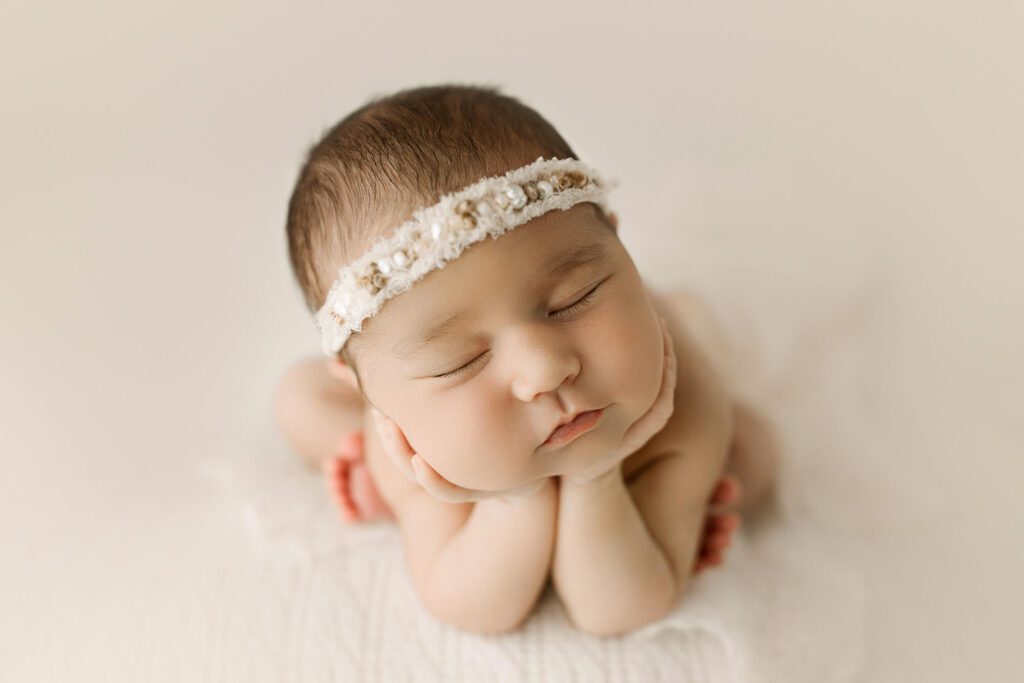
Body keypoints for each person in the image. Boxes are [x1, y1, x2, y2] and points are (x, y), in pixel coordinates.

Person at [273, 84, 780, 635]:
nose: (544, 370)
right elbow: (475, 607)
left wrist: (598, 475)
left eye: (575, 298)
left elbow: (619, 610)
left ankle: (672, 499)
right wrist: (512, 500)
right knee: (297, 400)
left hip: (643, 445)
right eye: (459, 361)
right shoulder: (412, 439)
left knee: (752, 455)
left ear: (618, 245)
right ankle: (408, 500)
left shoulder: (680, 403)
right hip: (442, 433)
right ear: (371, 392)